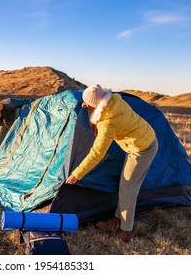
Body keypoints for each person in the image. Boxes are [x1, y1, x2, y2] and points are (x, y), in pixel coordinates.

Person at [65, 84, 158, 242]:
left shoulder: (107, 122)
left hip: (142, 148)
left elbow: (97, 153)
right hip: (140, 140)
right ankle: (116, 220)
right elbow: (97, 102)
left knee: (128, 189)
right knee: (125, 184)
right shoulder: (115, 99)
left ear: (94, 105)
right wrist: (90, 105)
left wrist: (77, 174)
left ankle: (126, 231)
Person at [0, 94, 33, 177]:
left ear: (0, 108)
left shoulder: (10, 103)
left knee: (18, 144)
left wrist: (27, 106)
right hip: (4, 124)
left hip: (19, 119)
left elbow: (30, 100)